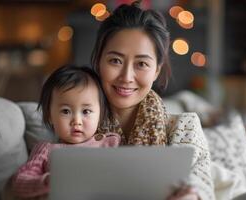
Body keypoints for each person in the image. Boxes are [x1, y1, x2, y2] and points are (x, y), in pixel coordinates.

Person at [91, 1, 215, 200]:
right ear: (98, 61)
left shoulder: (184, 126)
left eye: (141, 64)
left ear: (156, 70)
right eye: (115, 60)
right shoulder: (76, 122)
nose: (127, 76)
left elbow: (200, 187)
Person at [10, 65, 120, 199]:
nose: (77, 121)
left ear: (100, 114)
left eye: (86, 111)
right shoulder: (46, 150)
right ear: (50, 115)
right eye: (66, 111)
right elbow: (19, 182)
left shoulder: (110, 143)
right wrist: (46, 181)